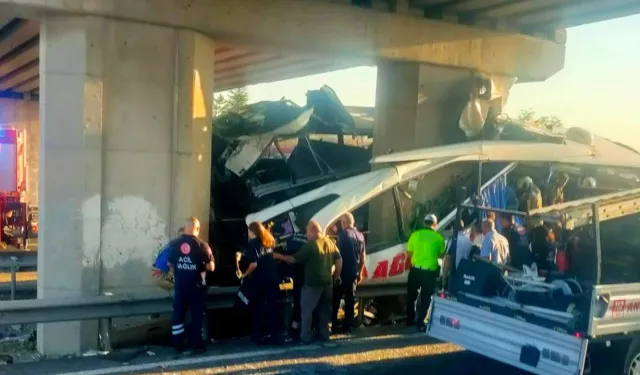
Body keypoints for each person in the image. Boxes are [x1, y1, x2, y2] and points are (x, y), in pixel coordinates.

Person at [274, 220, 342, 344]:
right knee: (324, 311)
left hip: (312, 283)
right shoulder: (330, 242)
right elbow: (339, 259)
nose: (306, 234)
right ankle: (324, 334)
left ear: (312, 230)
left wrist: (278, 256)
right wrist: (336, 275)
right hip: (328, 283)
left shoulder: (311, 245)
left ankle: (305, 336)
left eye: (307, 231)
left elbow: (294, 259)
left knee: (307, 311)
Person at [167, 217, 214, 354]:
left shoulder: (174, 244)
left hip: (180, 286)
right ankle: (196, 344)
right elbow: (211, 266)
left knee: (178, 315)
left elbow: (170, 264)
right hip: (196, 287)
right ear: (197, 229)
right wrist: (199, 265)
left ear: (185, 227)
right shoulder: (203, 245)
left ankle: (177, 344)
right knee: (196, 316)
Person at [238, 222, 282, 345]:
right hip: (273, 279)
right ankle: (275, 336)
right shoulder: (268, 241)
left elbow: (253, 264)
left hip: (260, 281)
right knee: (273, 308)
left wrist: (244, 274)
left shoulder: (252, 244)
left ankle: (257, 336)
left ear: (252, 231)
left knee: (258, 308)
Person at [406, 214, 445, 332]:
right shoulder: (439, 238)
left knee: (411, 296)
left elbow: (409, 253)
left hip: (415, 270)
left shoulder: (415, 235)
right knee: (426, 297)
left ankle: (409, 320)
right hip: (430, 272)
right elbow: (441, 255)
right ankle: (421, 322)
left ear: (424, 223)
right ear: (435, 224)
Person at [331, 212, 366, 334]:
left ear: (343, 223)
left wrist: (336, 275)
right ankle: (348, 327)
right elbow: (363, 258)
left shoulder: (342, 235)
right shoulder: (361, 236)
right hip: (353, 273)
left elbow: (337, 257)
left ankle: (334, 326)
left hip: (342, 273)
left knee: (335, 300)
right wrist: (360, 273)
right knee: (350, 300)